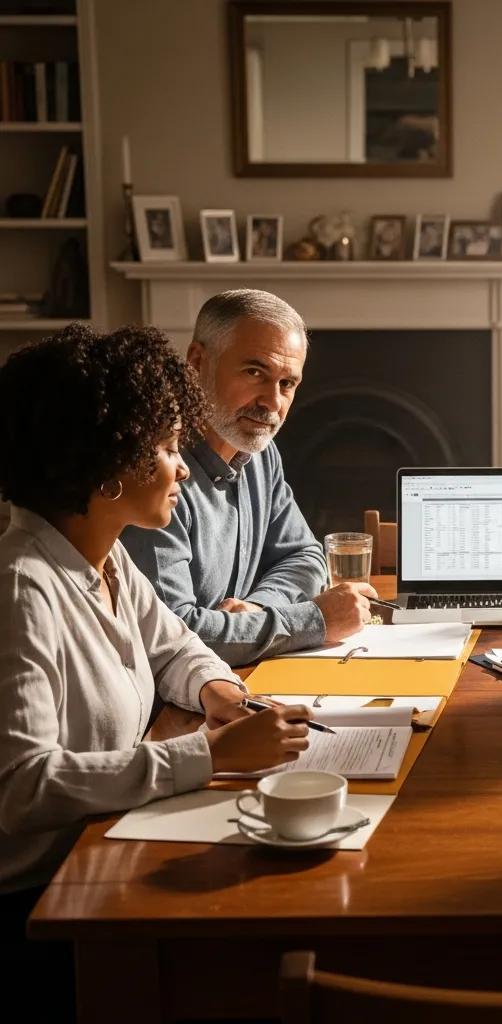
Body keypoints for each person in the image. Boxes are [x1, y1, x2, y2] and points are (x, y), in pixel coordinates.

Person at [0, 324, 312, 1004]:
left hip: (108, 842)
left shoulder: (99, 554)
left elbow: (172, 645)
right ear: (107, 463)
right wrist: (211, 753)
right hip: (44, 909)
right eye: (167, 447)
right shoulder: (22, 585)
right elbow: (23, 788)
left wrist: (221, 692)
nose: (181, 467)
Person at [122, 289, 376, 666]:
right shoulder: (156, 473)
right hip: (172, 705)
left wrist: (258, 609)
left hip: (238, 678)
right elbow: (173, 635)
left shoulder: (261, 454)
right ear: (196, 362)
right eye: (255, 372)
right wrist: (315, 619)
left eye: (287, 384)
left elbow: (305, 557)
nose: (272, 402)